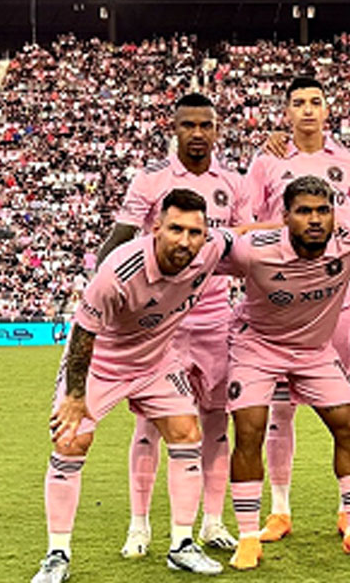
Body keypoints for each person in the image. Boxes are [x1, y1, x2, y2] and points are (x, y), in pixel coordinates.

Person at [31, 189, 235, 583]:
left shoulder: (211, 249)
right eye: (175, 229)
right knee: (70, 442)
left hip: (157, 360)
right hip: (102, 363)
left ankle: (182, 545)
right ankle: (57, 555)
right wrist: (75, 397)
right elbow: (83, 335)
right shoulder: (118, 272)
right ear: (156, 228)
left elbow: (244, 234)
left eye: (195, 231)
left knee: (186, 432)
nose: (185, 240)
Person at [220, 176, 350, 570]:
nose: (315, 219)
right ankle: (246, 537)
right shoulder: (252, 252)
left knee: (347, 423)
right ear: (286, 216)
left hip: (313, 351)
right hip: (257, 346)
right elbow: (205, 251)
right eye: (304, 211)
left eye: (323, 210)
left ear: (334, 214)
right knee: (250, 429)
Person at [97, 92, 249, 556]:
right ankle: (139, 526)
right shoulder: (151, 180)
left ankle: (212, 521)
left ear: (217, 129)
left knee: (215, 421)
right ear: (175, 128)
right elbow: (120, 241)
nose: (198, 133)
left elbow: (242, 245)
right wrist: (104, 296)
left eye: (206, 125)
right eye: (189, 125)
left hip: (214, 318)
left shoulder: (234, 183)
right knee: (150, 423)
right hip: (161, 322)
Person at [246, 76, 350, 540]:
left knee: (346, 407)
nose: (308, 110)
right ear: (287, 112)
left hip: (338, 300)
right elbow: (250, 222)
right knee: (280, 411)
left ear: (327, 108)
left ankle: (349, 510)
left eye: (316, 101)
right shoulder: (267, 161)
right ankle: (279, 509)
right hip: (283, 302)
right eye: (298, 103)